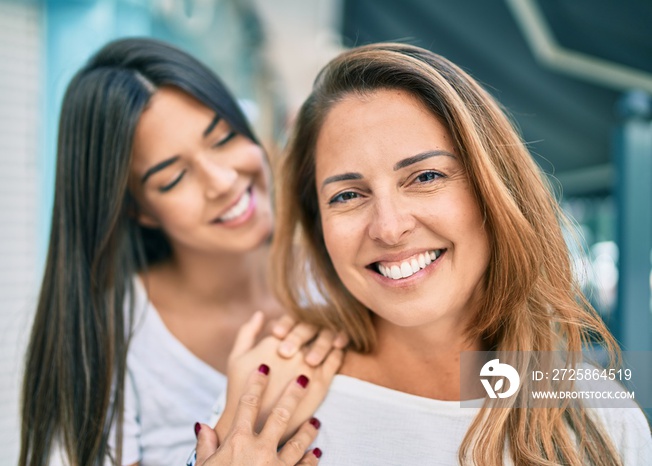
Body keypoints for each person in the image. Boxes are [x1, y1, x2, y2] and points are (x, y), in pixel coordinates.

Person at [196, 42, 652, 465]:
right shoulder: (272, 399)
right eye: (347, 195)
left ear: (493, 189)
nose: (390, 228)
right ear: (318, 229)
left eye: (426, 177)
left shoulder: (595, 413)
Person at [18, 37, 345, 466]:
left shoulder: (346, 263)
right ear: (139, 209)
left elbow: (462, 388)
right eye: (173, 178)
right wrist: (232, 426)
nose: (222, 181)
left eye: (224, 137)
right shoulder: (105, 340)